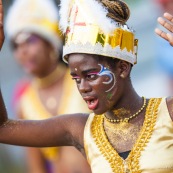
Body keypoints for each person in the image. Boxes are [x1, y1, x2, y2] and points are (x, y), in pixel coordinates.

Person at [0, 0, 173, 172]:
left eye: (90, 76)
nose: (82, 87)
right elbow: (3, 129)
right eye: (76, 78)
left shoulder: (168, 113)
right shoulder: (80, 129)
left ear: (122, 67)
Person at [5, 0, 91, 173]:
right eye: (16, 45)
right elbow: (36, 167)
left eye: (29, 41)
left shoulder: (83, 81)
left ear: (51, 43)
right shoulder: (25, 103)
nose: (23, 51)